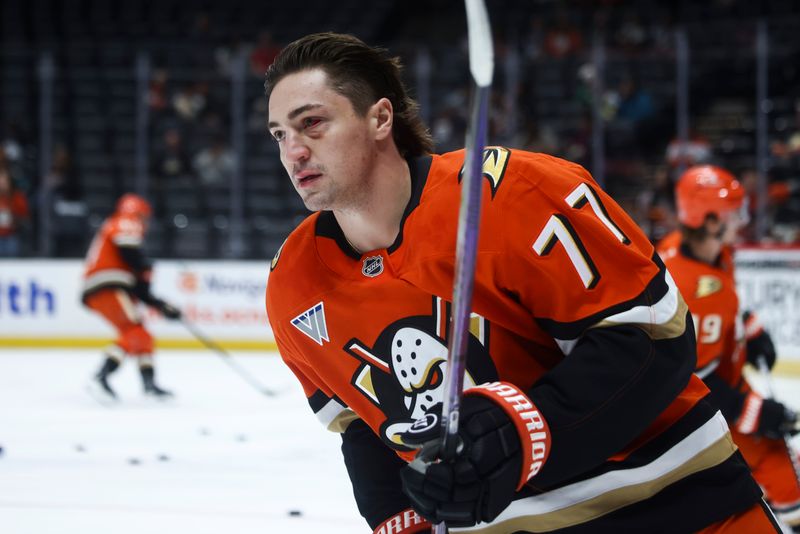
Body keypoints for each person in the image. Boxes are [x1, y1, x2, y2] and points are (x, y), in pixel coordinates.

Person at [264, 33, 776, 533]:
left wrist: (519, 432)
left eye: (312, 124)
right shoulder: (293, 283)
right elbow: (365, 426)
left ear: (380, 118)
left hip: (680, 509)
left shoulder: (515, 191)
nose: (294, 151)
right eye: (280, 135)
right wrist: (402, 518)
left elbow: (651, 341)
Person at [657, 165, 800, 530]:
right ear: (708, 220)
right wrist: (760, 413)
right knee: (788, 482)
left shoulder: (692, 249)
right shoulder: (696, 287)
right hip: (709, 410)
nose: (741, 220)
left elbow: (729, 305)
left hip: (721, 390)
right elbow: (695, 386)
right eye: (733, 213)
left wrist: (751, 333)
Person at [82, 193, 181, 401]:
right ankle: (100, 376)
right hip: (108, 285)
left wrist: (161, 305)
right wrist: (145, 270)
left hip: (105, 285)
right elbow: (133, 257)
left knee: (141, 334)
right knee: (134, 330)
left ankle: (149, 384)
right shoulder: (125, 221)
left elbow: (139, 286)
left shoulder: (114, 225)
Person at [0, 164, 30, 256]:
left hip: (12, 234)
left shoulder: (17, 197)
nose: (2, 183)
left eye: (4, 180)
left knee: (12, 245)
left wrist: (13, 216)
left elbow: (25, 217)